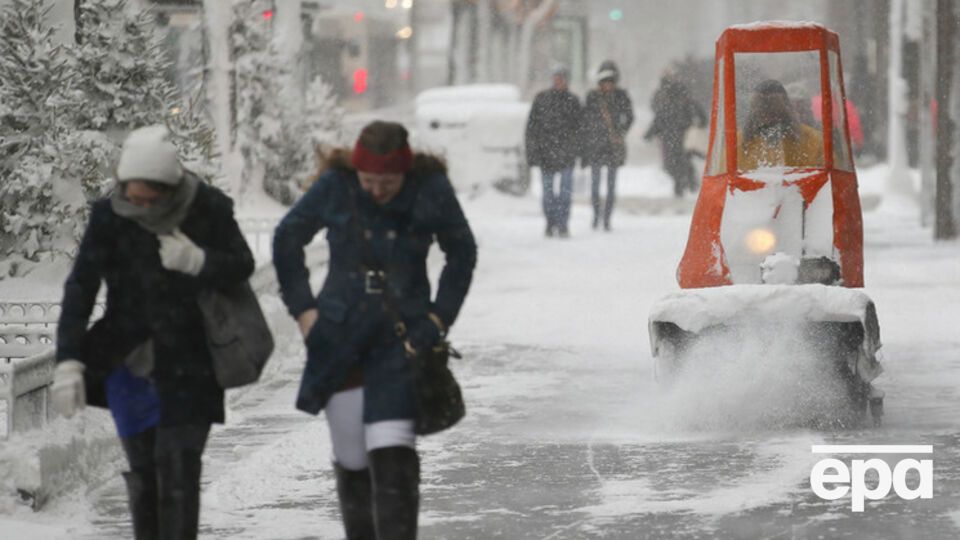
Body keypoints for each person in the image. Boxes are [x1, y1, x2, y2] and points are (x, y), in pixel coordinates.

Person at [272, 121, 477, 539]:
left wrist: (439, 319)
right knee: (352, 461)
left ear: (405, 171)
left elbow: (462, 251)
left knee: (394, 457)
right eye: (368, 180)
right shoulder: (336, 185)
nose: (376, 191)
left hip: (403, 340)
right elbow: (286, 238)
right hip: (339, 338)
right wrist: (306, 314)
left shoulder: (429, 188)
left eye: (387, 182)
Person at [51, 125, 255, 539]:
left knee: (179, 472)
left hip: (193, 361)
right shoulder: (109, 215)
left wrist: (199, 260)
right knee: (145, 476)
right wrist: (69, 360)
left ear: (171, 187)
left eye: (150, 199)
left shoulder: (207, 208)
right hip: (129, 362)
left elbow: (242, 264)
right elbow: (81, 285)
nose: (140, 206)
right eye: (132, 196)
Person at [525, 65, 582, 238]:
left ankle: (563, 224)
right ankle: (550, 222)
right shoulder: (541, 99)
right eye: (556, 78)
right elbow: (532, 128)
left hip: (566, 155)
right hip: (546, 154)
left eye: (562, 78)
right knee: (548, 194)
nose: (559, 82)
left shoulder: (573, 101)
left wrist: (578, 150)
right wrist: (532, 152)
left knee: (564, 194)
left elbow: (581, 129)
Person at [582, 60, 634, 231]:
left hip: (612, 147)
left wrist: (621, 132)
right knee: (596, 185)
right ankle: (597, 214)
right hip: (596, 146)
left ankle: (607, 218)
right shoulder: (592, 97)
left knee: (611, 186)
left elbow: (630, 116)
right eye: (605, 81)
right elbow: (585, 120)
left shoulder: (621, 96)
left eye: (610, 81)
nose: (607, 85)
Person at [643, 70, 707, 197]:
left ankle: (683, 184)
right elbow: (702, 117)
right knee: (681, 162)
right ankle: (688, 182)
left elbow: (658, 120)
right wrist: (699, 125)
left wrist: (649, 135)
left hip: (673, 138)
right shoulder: (686, 103)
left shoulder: (671, 104)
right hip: (680, 137)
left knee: (673, 163)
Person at [738, 79, 824, 170]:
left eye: (774, 105)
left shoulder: (812, 140)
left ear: (786, 108)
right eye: (761, 105)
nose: (767, 110)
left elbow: (827, 178)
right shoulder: (738, 143)